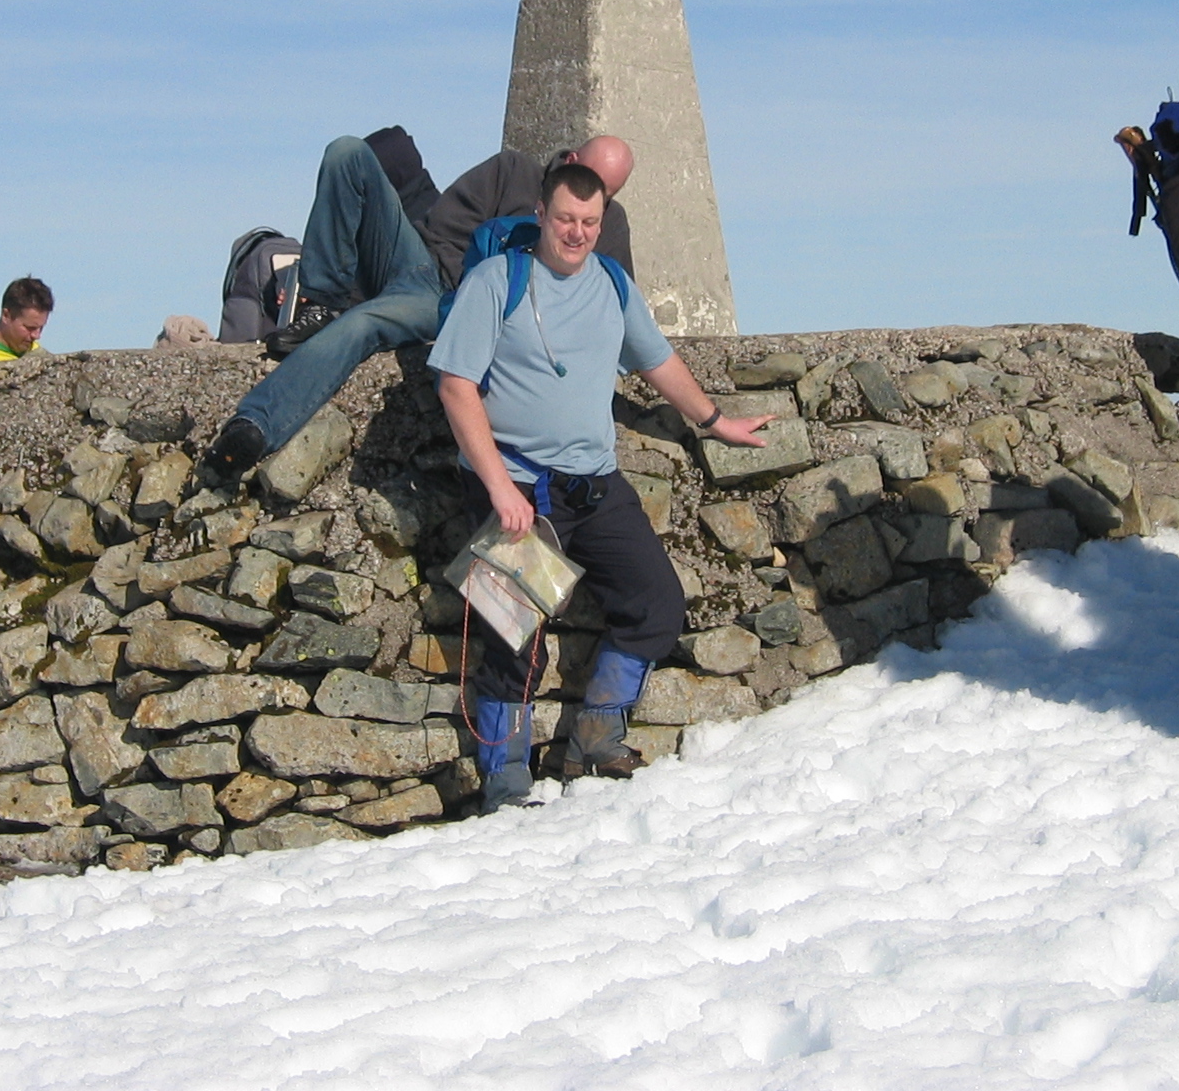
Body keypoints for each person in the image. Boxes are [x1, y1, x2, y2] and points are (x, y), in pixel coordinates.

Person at [429, 161, 772, 812]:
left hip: (595, 484)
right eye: (566, 220)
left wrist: (716, 421)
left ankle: (594, 736)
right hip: (518, 487)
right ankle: (504, 775)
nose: (578, 233)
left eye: (590, 222)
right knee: (511, 635)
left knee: (657, 602)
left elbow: (657, 359)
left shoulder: (612, 283)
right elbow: (455, 386)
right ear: (540, 213)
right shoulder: (496, 282)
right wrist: (500, 488)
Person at [196, 130, 637, 487]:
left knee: (363, 325)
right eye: (589, 181)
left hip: (451, 309)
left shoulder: (609, 227)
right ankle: (322, 299)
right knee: (347, 152)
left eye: (606, 195)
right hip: (429, 267)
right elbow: (441, 224)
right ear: (571, 160)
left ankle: (254, 427)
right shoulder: (513, 170)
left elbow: (612, 311)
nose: (591, 201)